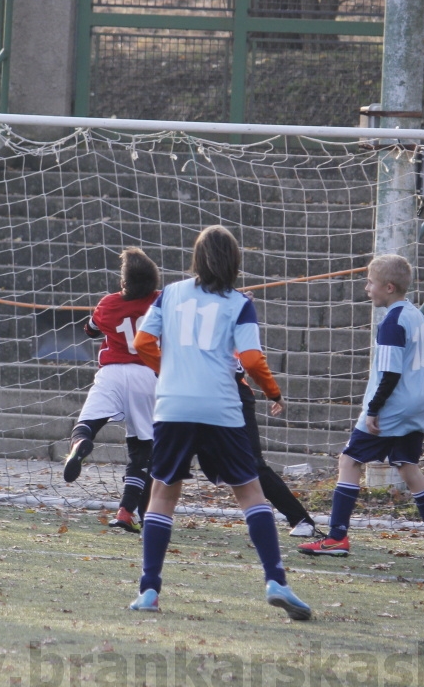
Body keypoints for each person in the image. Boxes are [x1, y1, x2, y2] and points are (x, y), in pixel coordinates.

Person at [127, 225, 311, 620]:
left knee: (162, 495)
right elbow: (250, 360)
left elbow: (141, 343)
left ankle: (149, 592)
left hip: (174, 406)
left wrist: (170, 370)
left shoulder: (169, 293)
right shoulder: (240, 302)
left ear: (196, 258)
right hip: (221, 407)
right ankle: (276, 580)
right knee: (249, 493)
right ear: (234, 262)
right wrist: (273, 393)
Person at [298, 253, 424, 568]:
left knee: (349, 460)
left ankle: (336, 537)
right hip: (417, 402)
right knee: (407, 467)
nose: (366, 288)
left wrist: (374, 409)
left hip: (393, 405)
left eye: (371, 283)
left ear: (388, 287)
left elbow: (389, 374)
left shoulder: (391, 322)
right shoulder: (417, 314)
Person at [62, 247, 160, 534]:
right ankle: (126, 512)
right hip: (148, 376)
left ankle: (79, 446)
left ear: (124, 281)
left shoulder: (108, 303)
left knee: (85, 426)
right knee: (142, 451)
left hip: (112, 374)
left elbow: (90, 330)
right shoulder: (161, 300)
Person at [235, 366, 320, 537]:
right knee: (252, 465)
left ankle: (299, 520)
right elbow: (252, 361)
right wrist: (274, 394)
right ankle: (299, 521)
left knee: (252, 466)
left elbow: (252, 361)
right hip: (223, 397)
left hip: (191, 399)